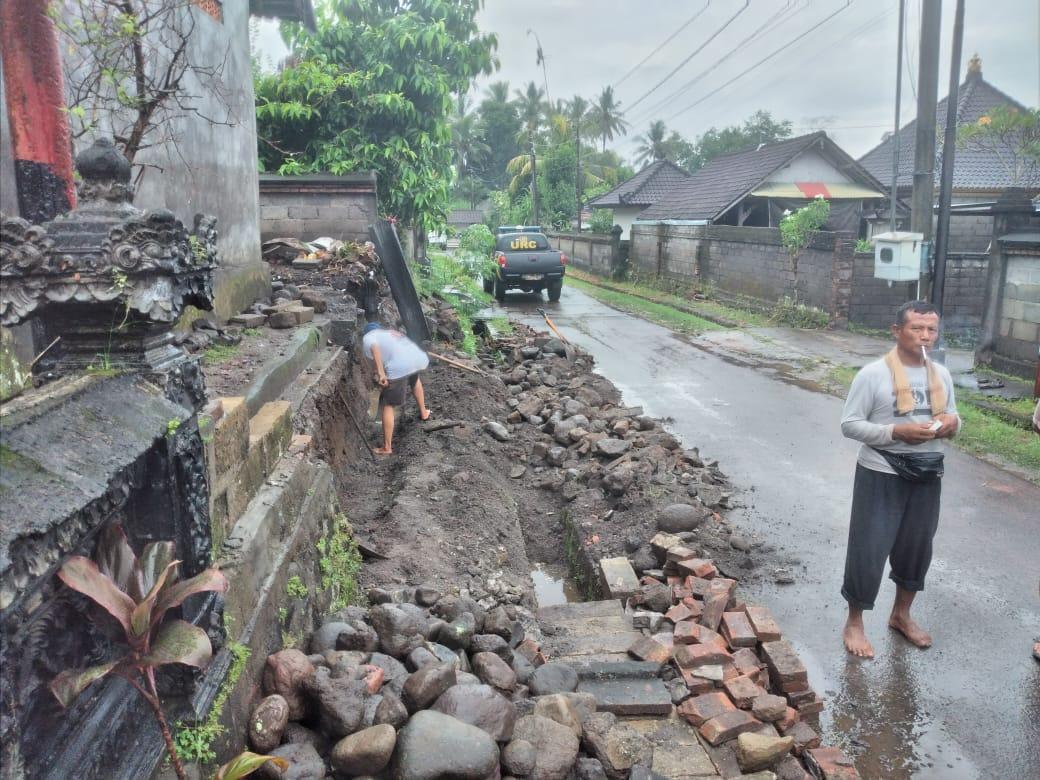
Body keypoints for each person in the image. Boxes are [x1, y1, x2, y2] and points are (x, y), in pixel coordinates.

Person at [839, 301, 960, 659]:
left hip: (926, 473)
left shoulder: (941, 374)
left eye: (931, 330)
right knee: (870, 547)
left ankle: (901, 614)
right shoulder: (873, 375)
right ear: (896, 331)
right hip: (881, 471)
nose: (925, 336)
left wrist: (953, 424)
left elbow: (953, 415)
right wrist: (897, 432)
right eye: (916, 328)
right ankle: (855, 621)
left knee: (917, 547)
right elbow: (849, 424)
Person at [361, 321, 431, 455]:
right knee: (415, 380)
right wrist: (379, 371)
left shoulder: (370, 336)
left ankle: (387, 447)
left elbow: (375, 349)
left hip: (400, 364)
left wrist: (381, 374)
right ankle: (424, 412)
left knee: (387, 403)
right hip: (414, 358)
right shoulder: (389, 334)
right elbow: (382, 357)